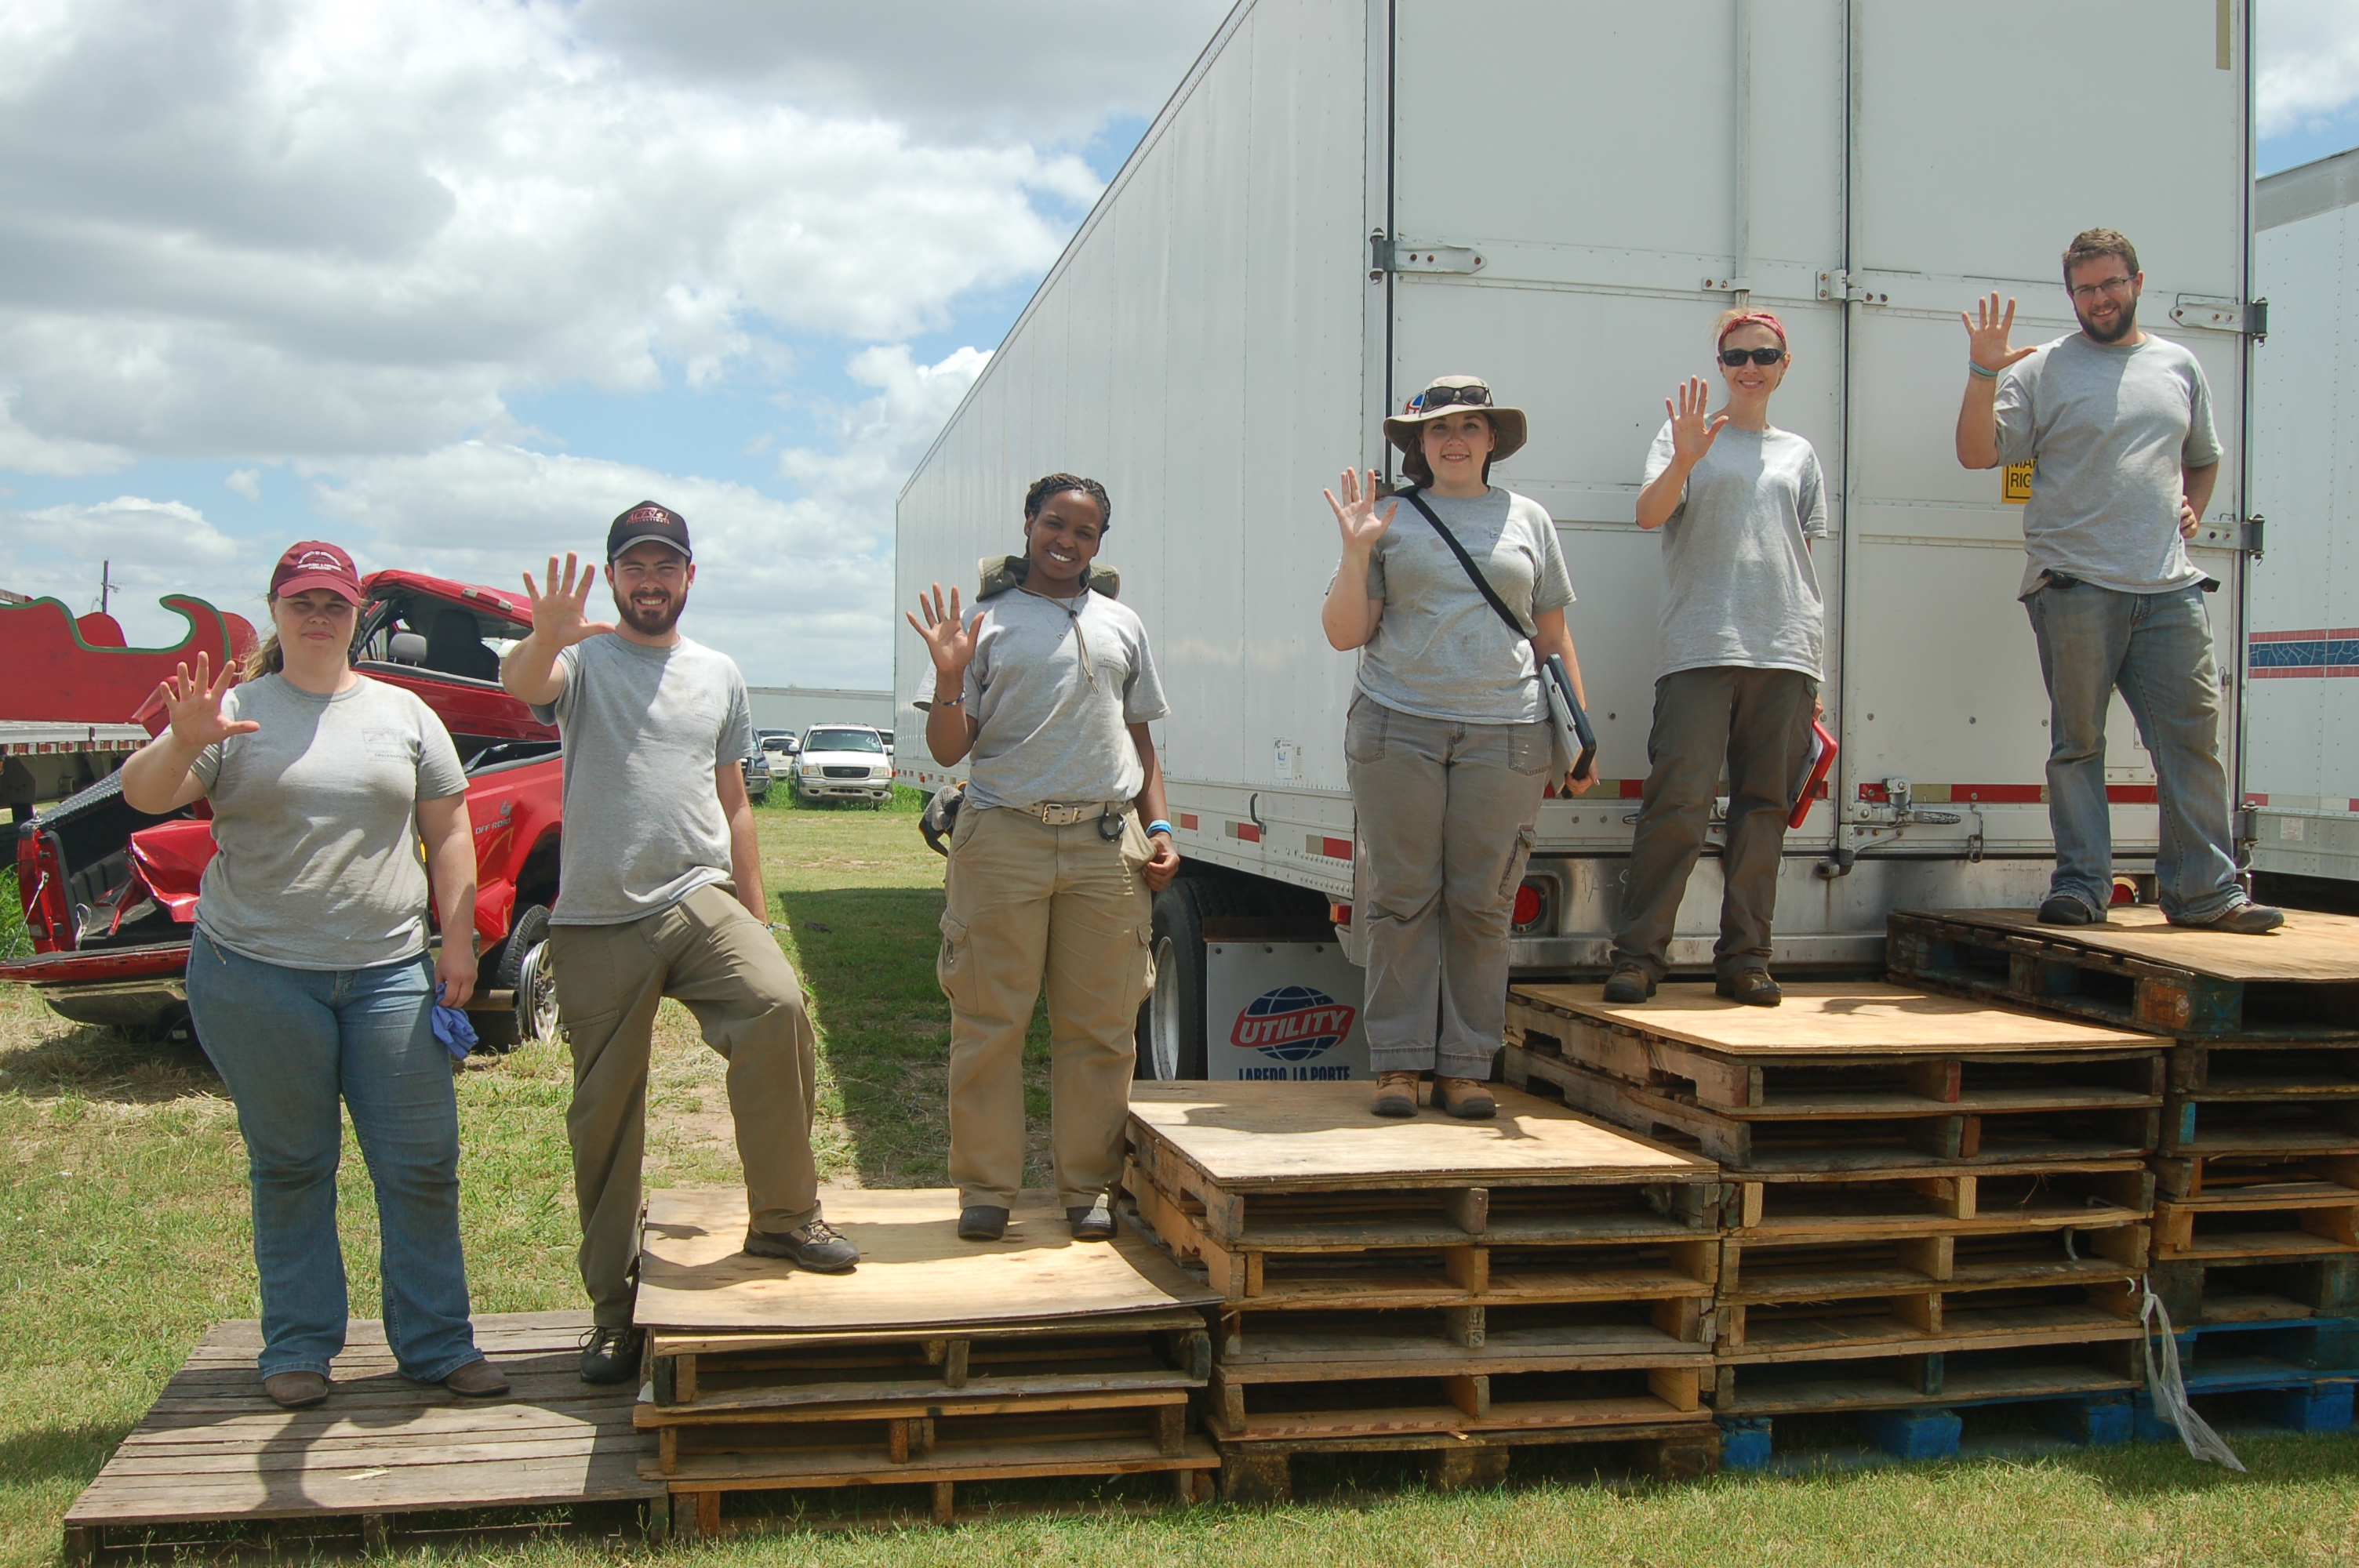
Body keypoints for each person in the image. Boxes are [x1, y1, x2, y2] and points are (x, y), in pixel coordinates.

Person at [119, 541, 507, 1410]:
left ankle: (437, 1343)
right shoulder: (236, 711)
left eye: (335, 603)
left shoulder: (404, 715)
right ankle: (297, 1347)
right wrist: (182, 737)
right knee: (293, 1163)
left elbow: (448, 832)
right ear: (276, 609)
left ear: (357, 613)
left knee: (421, 1163)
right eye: (304, 602)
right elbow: (144, 795)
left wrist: (457, 940)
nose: (319, 617)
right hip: (256, 974)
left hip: (386, 975)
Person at [501, 501, 856, 1385]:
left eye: (666, 566)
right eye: (635, 566)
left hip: (697, 894)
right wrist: (544, 638)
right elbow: (523, 684)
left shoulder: (718, 672)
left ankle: (782, 1214)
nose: (650, 580)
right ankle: (614, 1310)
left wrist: (757, 912)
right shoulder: (580, 662)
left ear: (689, 577)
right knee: (605, 1115)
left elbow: (734, 799)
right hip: (595, 915)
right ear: (614, 576)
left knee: (774, 1003)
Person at [1956, 228, 2281, 934]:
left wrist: (2197, 501)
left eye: (2110, 283)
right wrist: (1984, 373)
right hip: (2074, 585)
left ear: (2138, 281)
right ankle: (2080, 888)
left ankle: (2205, 894)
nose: (2099, 299)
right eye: (2084, 289)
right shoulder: (2041, 368)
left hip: (2170, 588)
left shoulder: (2179, 365)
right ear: (2070, 295)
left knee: (2192, 743)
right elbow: (1977, 453)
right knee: (2079, 746)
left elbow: (2203, 455)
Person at [908, 473, 1180, 1243]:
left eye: (1084, 531)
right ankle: (986, 1186)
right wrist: (950, 675)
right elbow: (948, 748)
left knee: (1099, 1026)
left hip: (1104, 844)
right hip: (1002, 839)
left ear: (1100, 542)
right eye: (1053, 523)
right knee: (989, 1019)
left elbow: (1141, 739)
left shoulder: (1123, 624)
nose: (1065, 541)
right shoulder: (981, 622)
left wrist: (1159, 827)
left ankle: (1085, 1185)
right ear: (1027, 524)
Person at [1321, 376, 1599, 1120]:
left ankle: (1467, 1066)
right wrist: (1354, 555)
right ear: (1417, 445)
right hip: (1396, 723)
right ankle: (1399, 1067)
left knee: (1484, 903)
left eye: (1471, 427)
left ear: (1491, 441)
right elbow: (1346, 633)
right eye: (1438, 429)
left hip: (1508, 733)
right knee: (1402, 898)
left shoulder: (1529, 519)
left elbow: (1552, 636)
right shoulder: (1387, 517)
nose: (1455, 439)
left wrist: (1581, 737)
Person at [1606, 313, 1828, 1007]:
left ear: (1785, 365)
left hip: (1786, 652)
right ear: (1722, 364)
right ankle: (1639, 958)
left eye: (1764, 355)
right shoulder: (1685, 441)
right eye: (1737, 356)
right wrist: (1684, 459)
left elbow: (1803, 560)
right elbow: (1648, 516)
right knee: (1678, 804)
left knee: (1764, 807)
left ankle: (1746, 960)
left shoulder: (1800, 454)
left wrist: (1812, 667)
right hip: (1700, 648)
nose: (1750, 367)